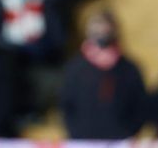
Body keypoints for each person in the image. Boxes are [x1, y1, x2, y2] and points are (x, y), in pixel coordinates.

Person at [60, 9, 148, 139]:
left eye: (104, 26)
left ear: (115, 29)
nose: (100, 31)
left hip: (120, 141)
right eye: (96, 26)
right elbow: (66, 106)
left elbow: (140, 106)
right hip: (83, 140)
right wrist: (76, 133)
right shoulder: (75, 69)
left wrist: (127, 133)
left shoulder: (129, 69)